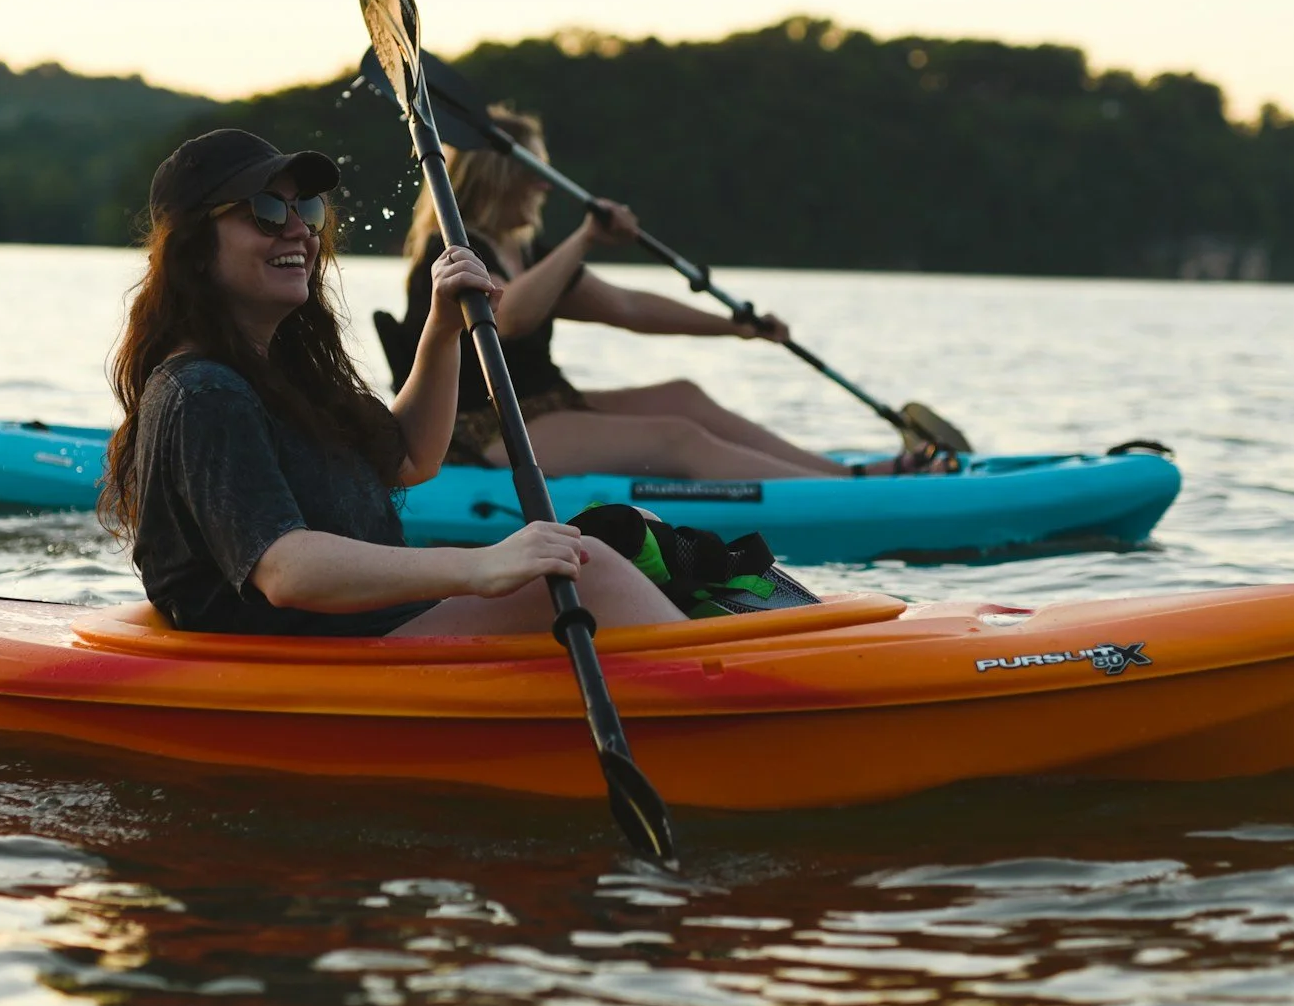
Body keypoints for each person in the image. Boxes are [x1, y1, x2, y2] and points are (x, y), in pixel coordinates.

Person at [99, 129, 683, 639]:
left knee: (632, 531)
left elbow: (411, 457)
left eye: (306, 209)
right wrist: (480, 567)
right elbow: (285, 569)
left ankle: (744, 648)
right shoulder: (203, 392)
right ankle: (741, 695)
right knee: (593, 568)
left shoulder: (282, 372)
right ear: (195, 250)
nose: (298, 231)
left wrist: (441, 331)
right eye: (266, 213)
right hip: (305, 652)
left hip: (369, 626)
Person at [398, 106, 929, 479]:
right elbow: (507, 316)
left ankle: (853, 476)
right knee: (678, 436)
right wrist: (586, 237)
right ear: (498, 177)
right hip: (482, 428)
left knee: (683, 396)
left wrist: (736, 327)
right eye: (535, 172)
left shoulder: (529, 252)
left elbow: (629, 307)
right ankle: (841, 494)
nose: (546, 185)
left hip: (544, 403)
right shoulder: (450, 256)